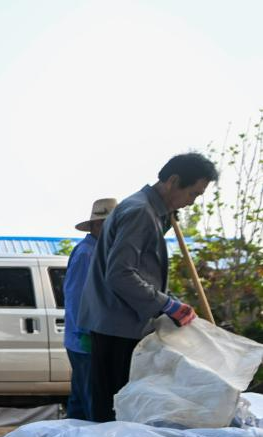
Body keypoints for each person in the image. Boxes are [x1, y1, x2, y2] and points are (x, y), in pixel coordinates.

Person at [79, 153, 218, 422]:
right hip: (117, 325)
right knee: (113, 411)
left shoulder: (150, 211)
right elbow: (120, 274)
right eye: (193, 193)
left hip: (120, 322)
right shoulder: (140, 211)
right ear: (173, 181)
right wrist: (166, 304)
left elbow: (140, 268)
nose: (192, 202)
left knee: (116, 408)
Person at [62, 198, 116, 420]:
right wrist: (84, 332)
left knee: (80, 402)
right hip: (85, 339)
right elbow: (75, 297)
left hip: (89, 336)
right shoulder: (87, 253)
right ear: (95, 226)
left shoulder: (101, 252)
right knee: (91, 401)